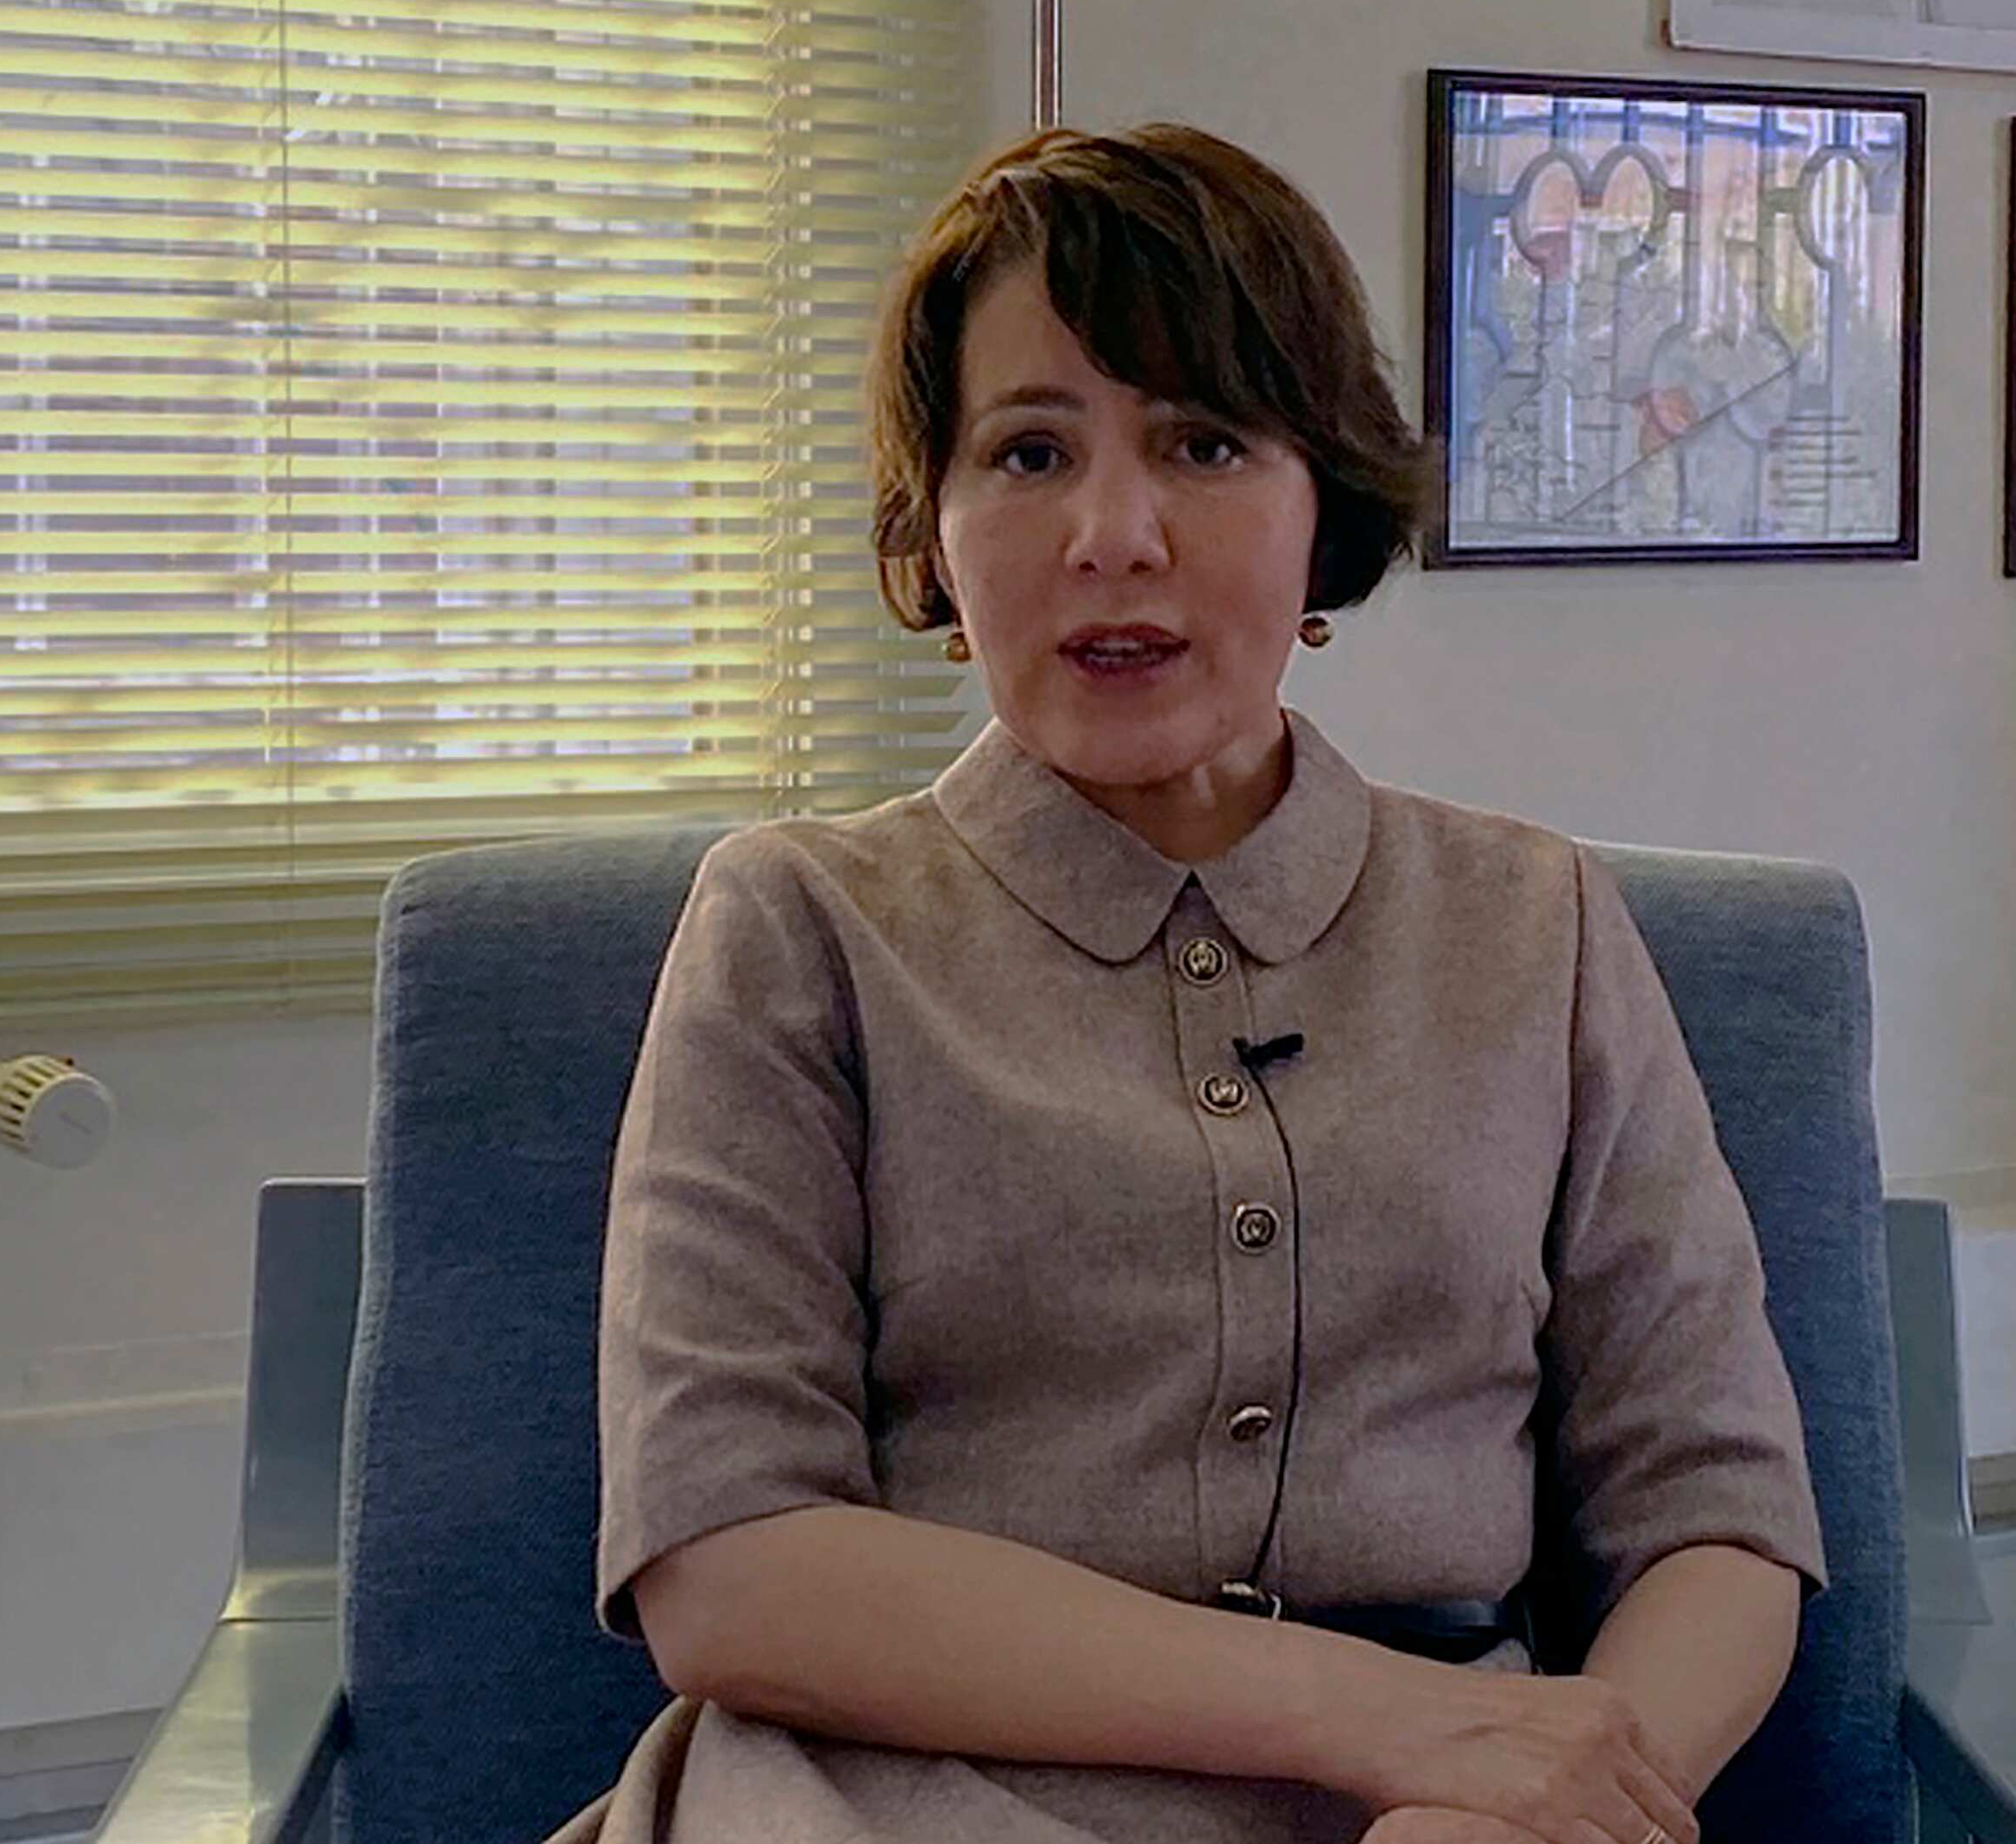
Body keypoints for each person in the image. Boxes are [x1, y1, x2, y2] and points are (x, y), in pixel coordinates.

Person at [548, 123, 1825, 1844]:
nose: (1112, 533)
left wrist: (1543, 1803)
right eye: (1028, 452)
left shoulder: (1540, 925)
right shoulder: (798, 925)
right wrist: (1397, 1719)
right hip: (891, 1795)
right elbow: (729, 1567)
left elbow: (1719, 1509)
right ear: (935, 534)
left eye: (1204, 442)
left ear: (1326, 508)